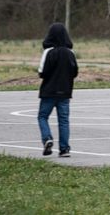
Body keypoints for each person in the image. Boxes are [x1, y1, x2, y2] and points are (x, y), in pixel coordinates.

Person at [37, 22, 78, 157]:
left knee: (43, 116)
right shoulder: (70, 52)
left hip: (49, 91)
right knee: (64, 120)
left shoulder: (48, 52)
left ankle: (47, 138)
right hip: (65, 91)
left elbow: (42, 72)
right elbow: (75, 71)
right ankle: (64, 149)